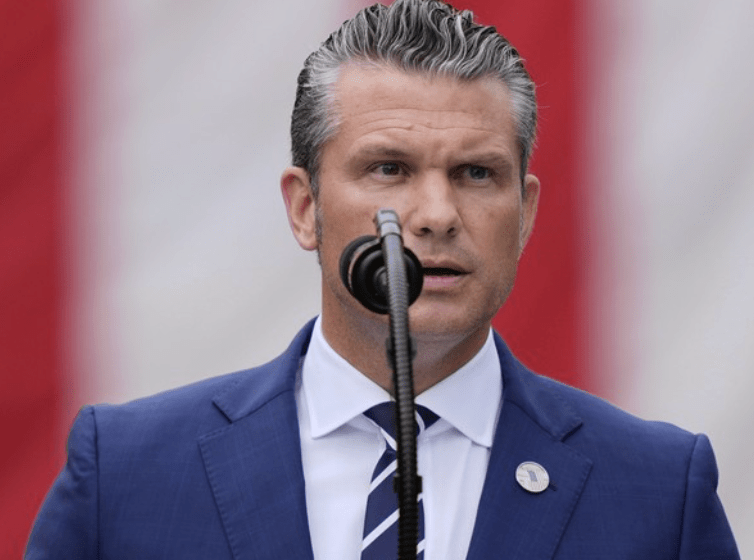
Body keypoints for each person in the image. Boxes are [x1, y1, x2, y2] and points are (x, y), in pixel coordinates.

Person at [26, 1, 740, 558]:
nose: (437, 215)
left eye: (476, 174)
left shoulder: (658, 490)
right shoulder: (128, 472)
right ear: (305, 209)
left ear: (524, 215)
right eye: (389, 169)